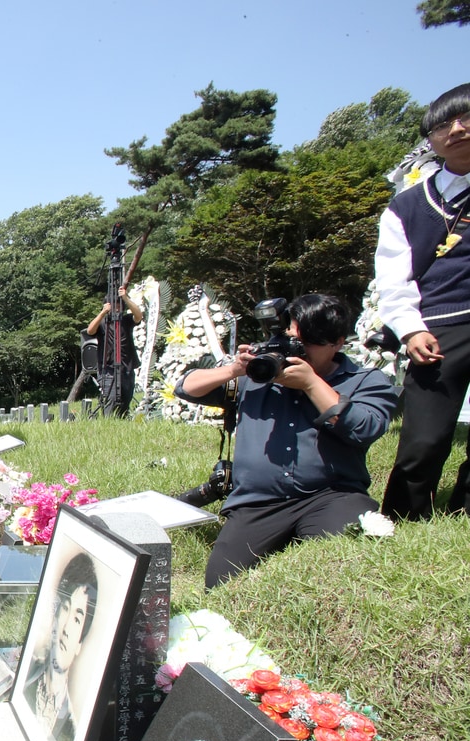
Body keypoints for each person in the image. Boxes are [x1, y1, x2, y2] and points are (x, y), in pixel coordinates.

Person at [175, 294, 398, 588]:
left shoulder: (364, 380)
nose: (298, 351)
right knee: (220, 583)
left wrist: (311, 383)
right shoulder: (260, 373)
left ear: (338, 343)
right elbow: (186, 388)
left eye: (309, 344)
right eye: (294, 339)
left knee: (341, 564)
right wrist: (234, 370)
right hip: (258, 503)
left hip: (330, 496)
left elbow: (364, 429)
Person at [377, 84, 470, 520]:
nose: (458, 128)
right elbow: (393, 276)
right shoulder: (407, 206)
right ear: (430, 139)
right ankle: (404, 517)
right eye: (443, 124)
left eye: (466, 117)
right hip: (438, 327)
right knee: (424, 437)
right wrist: (410, 327)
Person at [19, 552, 98, 741]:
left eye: (77, 619)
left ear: (81, 641)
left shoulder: (72, 723)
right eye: (65, 608)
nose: (66, 627)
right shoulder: (27, 681)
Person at [86, 285, 144, 416]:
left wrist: (125, 297)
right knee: (110, 401)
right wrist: (103, 312)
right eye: (113, 305)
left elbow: (138, 315)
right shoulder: (103, 322)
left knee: (125, 400)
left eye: (119, 305)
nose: (116, 307)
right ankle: (109, 425)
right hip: (108, 369)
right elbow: (90, 330)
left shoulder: (126, 320)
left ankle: (123, 424)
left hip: (127, 368)